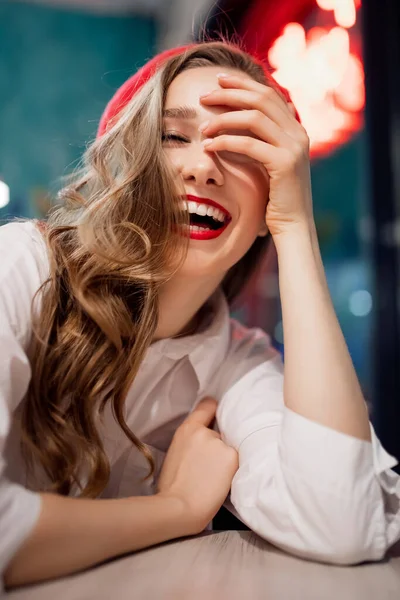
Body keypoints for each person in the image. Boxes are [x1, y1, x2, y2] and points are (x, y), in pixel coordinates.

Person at [1, 41, 399, 590]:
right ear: (129, 161)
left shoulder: (237, 362)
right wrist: (178, 508)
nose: (203, 168)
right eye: (173, 136)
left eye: (243, 149)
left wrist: (296, 229)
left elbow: (342, 521)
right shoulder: (22, 267)